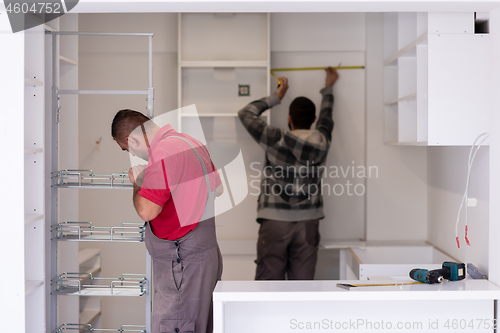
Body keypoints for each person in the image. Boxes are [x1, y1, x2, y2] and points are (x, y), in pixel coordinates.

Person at [111, 110, 223, 333]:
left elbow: (146, 211)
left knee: (176, 324)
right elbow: (217, 189)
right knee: (200, 325)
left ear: (131, 140)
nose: (132, 155)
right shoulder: (190, 142)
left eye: (127, 150)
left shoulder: (162, 154)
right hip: (204, 255)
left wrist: (138, 183)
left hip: (182, 263)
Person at [238, 67, 339, 280]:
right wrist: (329, 86)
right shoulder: (323, 140)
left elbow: (245, 113)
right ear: (313, 119)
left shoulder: (275, 137)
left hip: (274, 222)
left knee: (268, 284)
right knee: (302, 288)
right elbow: (327, 117)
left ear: (289, 118)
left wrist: (277, 96)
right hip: (308, 223)